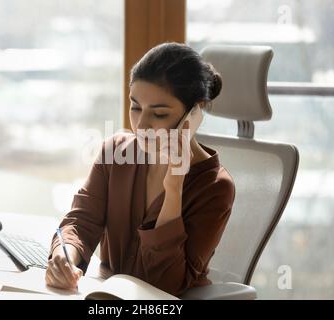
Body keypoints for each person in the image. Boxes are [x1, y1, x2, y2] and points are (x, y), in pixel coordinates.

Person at [45, 42, 235, 296]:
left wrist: (174, 189)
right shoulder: (115, 152)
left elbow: (164, 285)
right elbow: (82, 220)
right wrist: (64, 256)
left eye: (159, 114)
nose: (141, 124)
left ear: (192, 114)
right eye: (136, 107)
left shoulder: (215, 187)